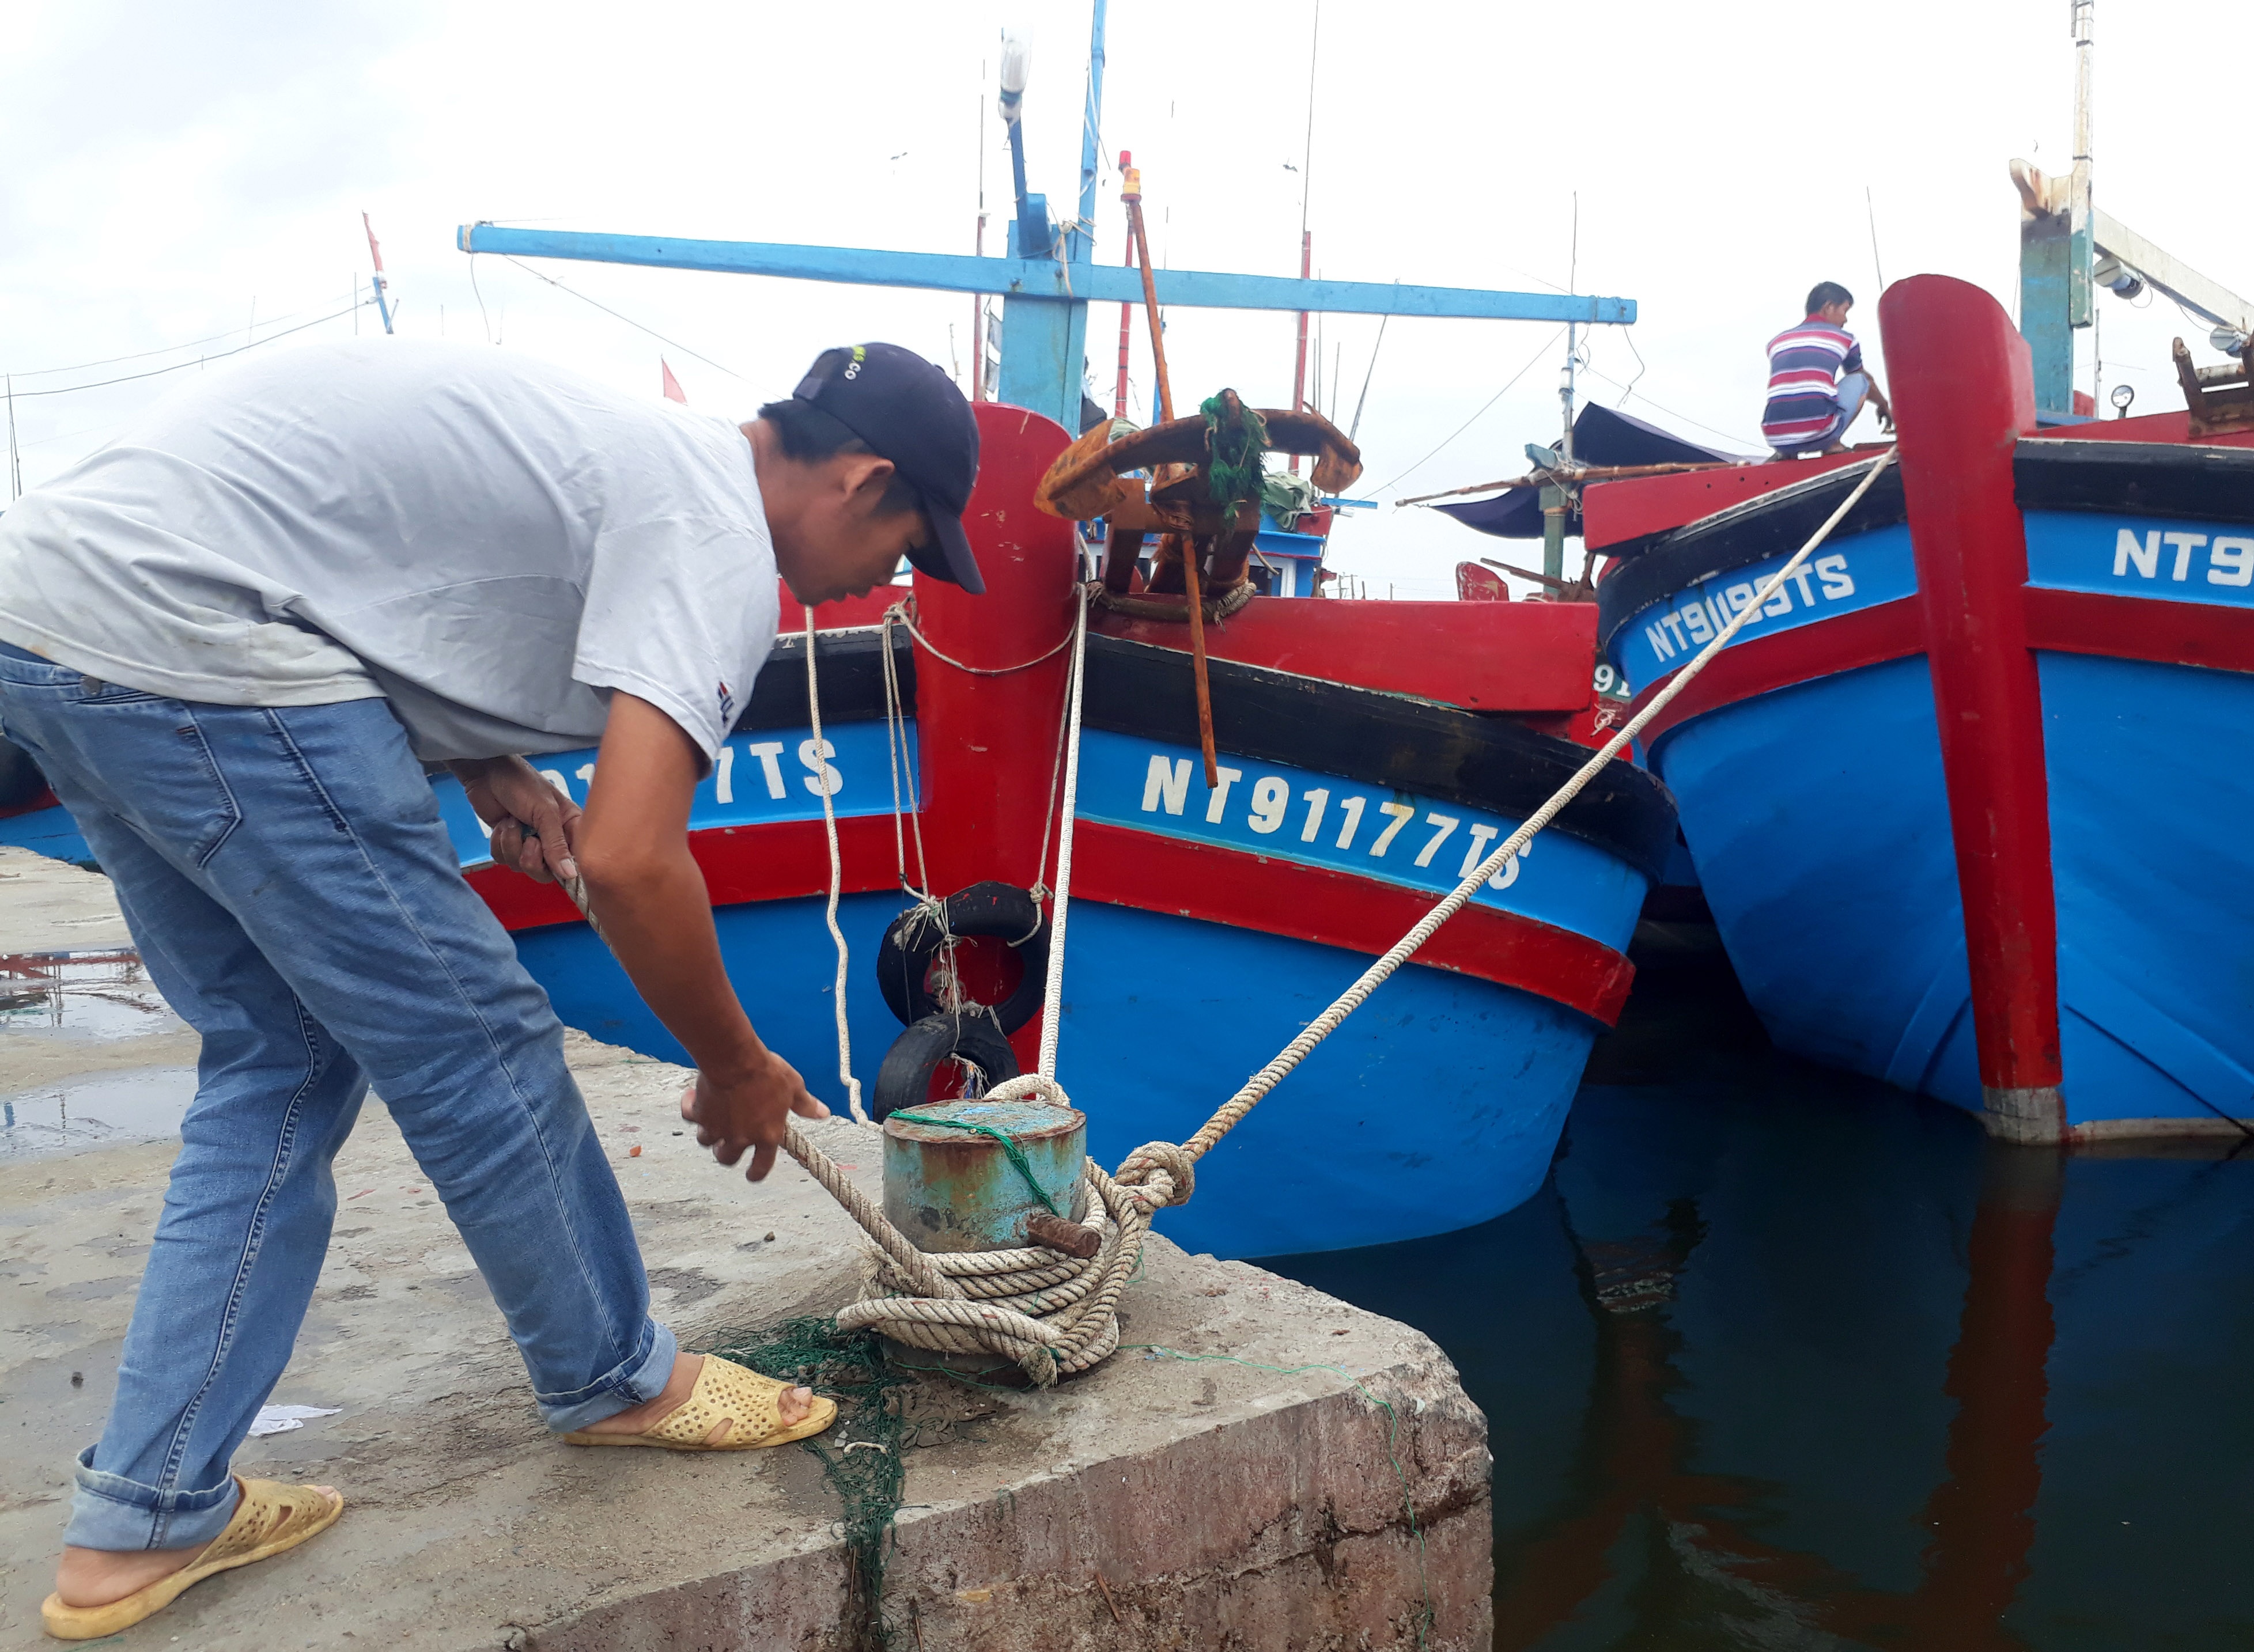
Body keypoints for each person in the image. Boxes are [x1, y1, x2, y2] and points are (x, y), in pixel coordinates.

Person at [0, 337, 983, 1639]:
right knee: (482, 1042)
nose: (886, 581)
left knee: (279, 1050)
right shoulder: (718, 541)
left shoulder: (649, 455)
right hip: (200, 640)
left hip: (56, 613)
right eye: (907, 546)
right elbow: (633, 860)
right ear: (862, 481)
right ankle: (613, 1375)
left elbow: (389, 564)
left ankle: (145, 1509)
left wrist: (481, 757)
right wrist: (734, 1061)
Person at [1761, 281, 1894, 457]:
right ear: (1829, 307)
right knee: (1860, 380)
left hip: (1775, 437)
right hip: (1821, 434)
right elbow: (1864, 379)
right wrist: (1883, 404)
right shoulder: (1845, 339)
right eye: (1845, 311)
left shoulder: (1777, 342)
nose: (1845, 320)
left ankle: (1786, 453)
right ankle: (1833, 445)